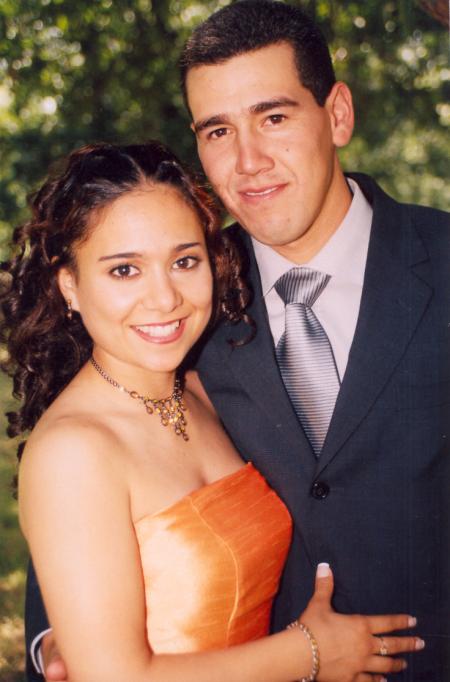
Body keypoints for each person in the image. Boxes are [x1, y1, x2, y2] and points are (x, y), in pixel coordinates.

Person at [25, 1, 450, 680]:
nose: (248, 161)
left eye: (273, 117)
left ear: (337, 115)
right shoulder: (184, 292)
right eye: (218, 130)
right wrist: (58, 636)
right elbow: (95, 458)